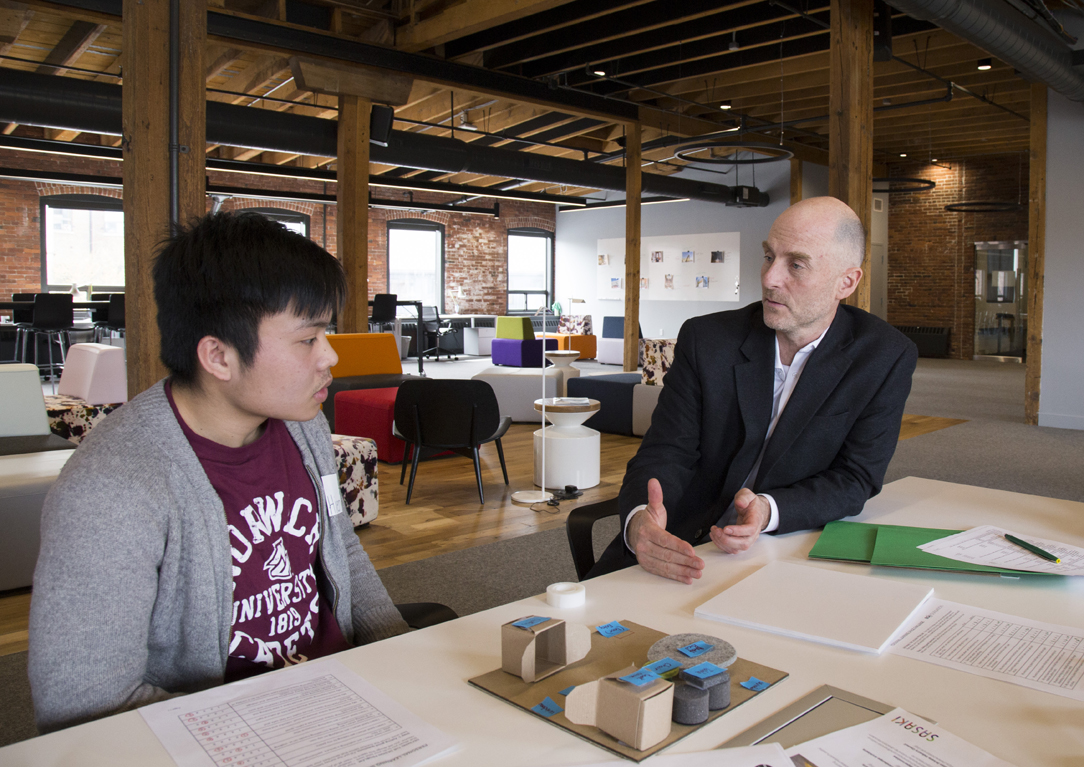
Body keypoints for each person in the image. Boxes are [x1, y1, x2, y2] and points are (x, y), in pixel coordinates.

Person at [28, 212, 408, 732]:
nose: (331, 356)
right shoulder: (112, 490)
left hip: (340, 696)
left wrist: (404, 654)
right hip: (226, 736)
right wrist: (270, 723)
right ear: (219, 356)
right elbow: (82, 706)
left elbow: (340, 546)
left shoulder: (305, 428)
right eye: (308, 339)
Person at [591, 196, 918, 583]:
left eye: (796, 264)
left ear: (845, 282)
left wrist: (768, 509)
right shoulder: (707, 339)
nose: (768, 278)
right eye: (768, 256)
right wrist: (638, 521)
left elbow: (856, 477)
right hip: (677, 543)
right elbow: (666, 450)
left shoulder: (884, 357)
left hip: (787, 551)